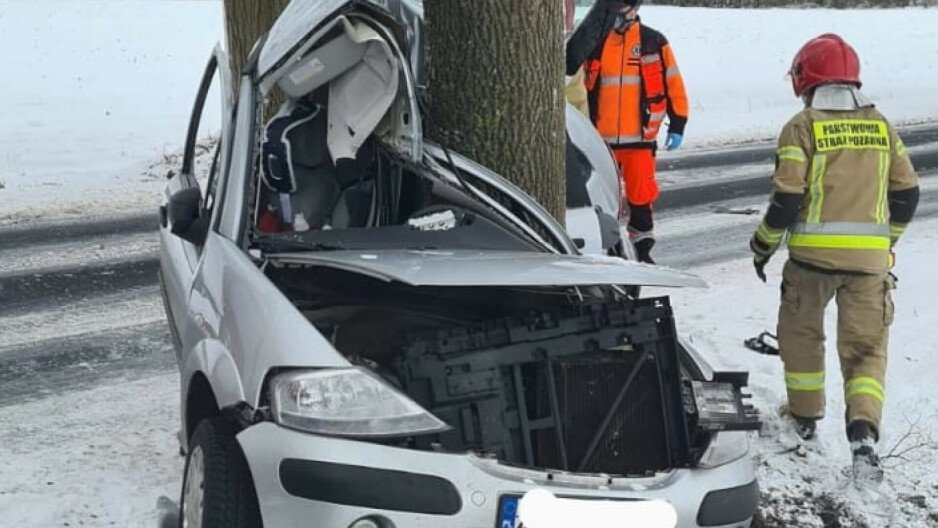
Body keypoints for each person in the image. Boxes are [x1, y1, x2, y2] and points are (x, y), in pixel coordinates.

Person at [749, 33, 920, 481]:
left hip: (810, 266)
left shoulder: (801, 127)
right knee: (866, 351)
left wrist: (762, 246)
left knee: (802, 340)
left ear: (805, 78)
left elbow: (786, 201)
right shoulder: (882, 126)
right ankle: (863, 433)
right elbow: (908, 193)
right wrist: (886, 243)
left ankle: (804, 420)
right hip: (868, 270)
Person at [565, 0, 689, 264]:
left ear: (635, 9)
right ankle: (607, 248)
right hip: (600, 139)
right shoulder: (596, 42)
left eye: (625, 8)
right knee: (600, 195)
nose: (619, 14)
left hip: (639, 139)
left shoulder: (653, 42)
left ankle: (643, 249)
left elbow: (673, 83)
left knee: (640, 195)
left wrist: (678, 122)